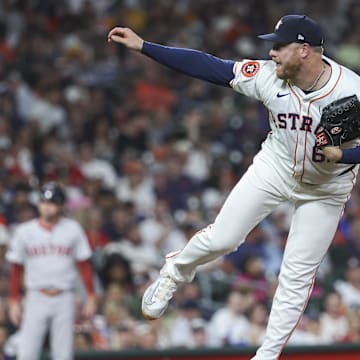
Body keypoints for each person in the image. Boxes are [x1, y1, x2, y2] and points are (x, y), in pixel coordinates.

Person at [107, 14, 360, 359]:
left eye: (279, 46)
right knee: (223, 238)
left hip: (325, 188)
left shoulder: (351, 90)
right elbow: (210, 67)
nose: (271, 53)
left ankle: (266, 356)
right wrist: (145, 47)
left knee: (296, 277)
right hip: (277, 166)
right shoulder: (269, 77)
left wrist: (347, 154)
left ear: (304, 50)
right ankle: (174, 272)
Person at [6, 182, 97, 360]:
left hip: (64, 296)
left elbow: (84, 265)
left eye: (53, 203)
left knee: (63, 354)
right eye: (44, 202)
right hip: (35, 296)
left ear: (61, 206)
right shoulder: (25, 231)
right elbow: (16, 269)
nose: (47, 207)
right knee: (27, 352)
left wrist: (91, 296)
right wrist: (14, 300)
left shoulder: (72, 229)